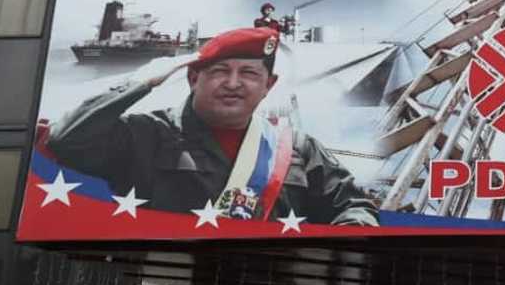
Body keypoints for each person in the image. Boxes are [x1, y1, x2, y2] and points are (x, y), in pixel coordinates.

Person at [46, 27, 377, 226]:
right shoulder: (144, 133)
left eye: (249, 74)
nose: (233, 83)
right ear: (193, 78)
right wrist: (140, 82)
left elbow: (353, 206)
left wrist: (347, 237)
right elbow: (67, 140)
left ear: (268, 85)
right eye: (220, 70)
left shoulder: (297, 147)